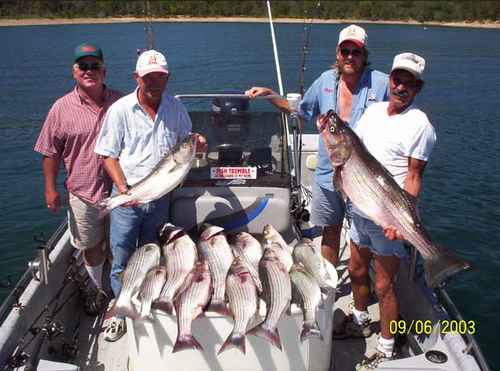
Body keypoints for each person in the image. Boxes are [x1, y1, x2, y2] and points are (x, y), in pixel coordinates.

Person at [246, 25, 388, 267]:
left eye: (356, 52)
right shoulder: (325, 81)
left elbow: (399, 118)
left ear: (365, 56)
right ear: (337, 53)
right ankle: (328, 285)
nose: (350, 57)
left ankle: (360, 296)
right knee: (330, 232)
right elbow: (300, 109)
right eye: (346, 51)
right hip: (327, 176)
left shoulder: (382, 83)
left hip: (364, 180)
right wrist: (270, 94)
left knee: (359, 242)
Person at [332, 52, 436, 370]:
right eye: (397, 78)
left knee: (384, 285)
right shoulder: (374, 112)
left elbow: (414, 177)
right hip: (361, 207)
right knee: (357, 269)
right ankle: (361, 319)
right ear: (389, 79)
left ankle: (388, 346)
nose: (401, 86)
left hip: (388, 214)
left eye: (409, 82)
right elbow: (354, 151)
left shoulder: (421, 126)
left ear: (418, 87)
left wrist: (403, 221)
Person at [94, 49, 206, 342]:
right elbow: (108, 155)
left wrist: (198, 143)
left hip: (160, 198)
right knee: (121, 257)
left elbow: (187, 141)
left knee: (152, 255)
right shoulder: (120, 110)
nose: (155, 82)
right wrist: (122, 190)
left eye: (160, 76)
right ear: (137, 78)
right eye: (149, 77)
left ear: (167, 77)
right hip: (127, 197)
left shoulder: (176, 108)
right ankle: (120, 311)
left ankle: (146, 303)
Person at [34, 43, 122, 315]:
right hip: (84, 194)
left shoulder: (122, 102)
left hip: (121, 192)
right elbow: (50, 152)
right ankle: (99, 289)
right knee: (91, 246)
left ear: (104, 71)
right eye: (83, 66)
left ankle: (121, 294)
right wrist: (50, 189)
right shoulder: (60, 109)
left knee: (120, 245)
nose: (89, 71)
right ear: (74, 72)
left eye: (94, 66)